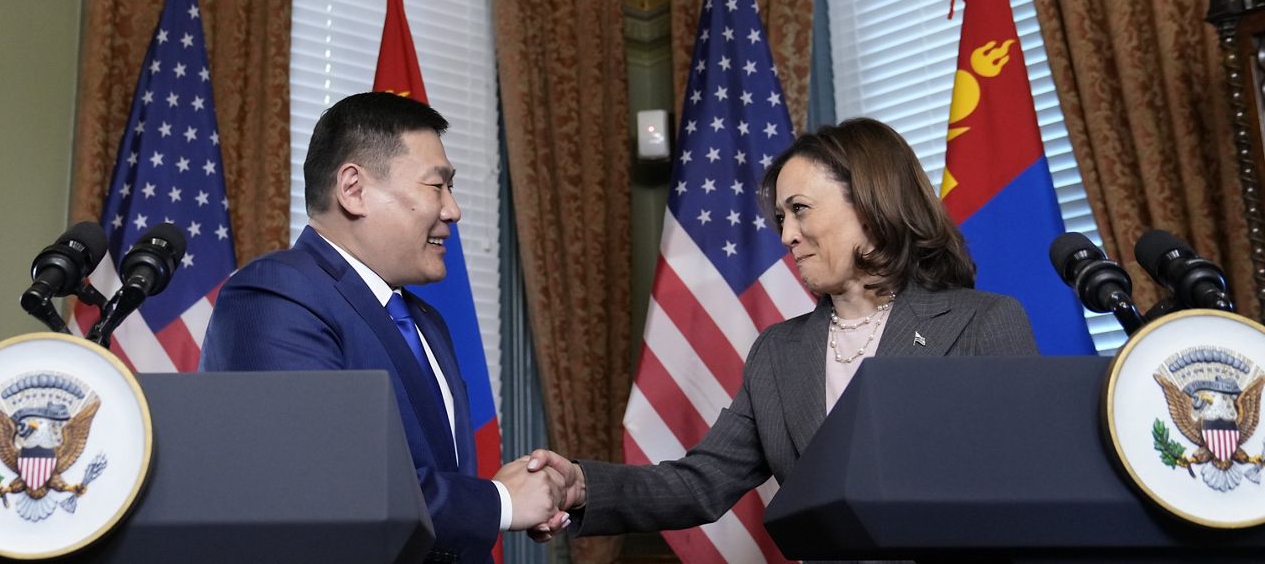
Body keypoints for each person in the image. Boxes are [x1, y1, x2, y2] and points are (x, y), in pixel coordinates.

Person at [526, 117, 1038, 541]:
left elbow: (1026, 494)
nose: (787, 235)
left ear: (871, 202)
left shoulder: (983, 323)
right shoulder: (777, 352)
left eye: (800, 210)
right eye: (781, 218)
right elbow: (700, 483)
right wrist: (581, 486)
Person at [199, 92, 565, 563]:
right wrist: (500, 502)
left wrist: (525, 500)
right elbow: (317, 481)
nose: (453, 210)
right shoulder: (276, 293)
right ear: (353, 189)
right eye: (437, 186)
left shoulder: (427, 321)